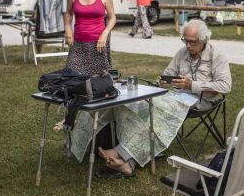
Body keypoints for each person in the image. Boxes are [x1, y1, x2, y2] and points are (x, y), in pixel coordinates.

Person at [96, 19, 232, 177]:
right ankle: (126, 163)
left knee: (157, 112)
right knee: (143, 107)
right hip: (177, 95)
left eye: (192, 42)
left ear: (203, 40)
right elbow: (168, 73)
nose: (188, 46)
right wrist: (162, 81)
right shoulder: (182, 53)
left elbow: (225, 86)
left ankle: (120, 153)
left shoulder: (217, 56)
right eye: (185, 40)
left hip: (202, 101)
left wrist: (192, 85)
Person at [54, 0, 116, 131]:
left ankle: (99, 120)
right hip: (79, 46)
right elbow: (68, 13)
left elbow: (112, 18)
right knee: (73, 81)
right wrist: (67, 28)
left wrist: (104, 34)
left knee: (100, 83)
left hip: (98, 46)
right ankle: (69, 118)